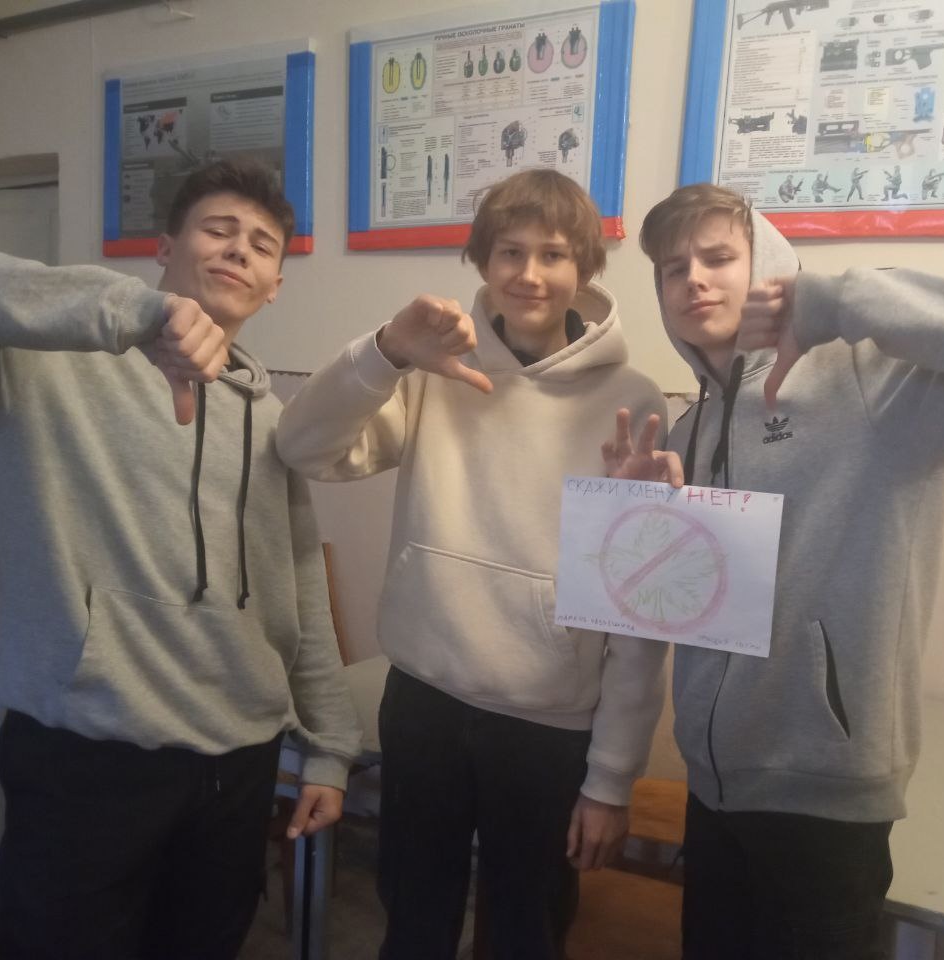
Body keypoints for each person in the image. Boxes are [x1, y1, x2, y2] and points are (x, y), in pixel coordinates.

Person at [0, 159, 362, 960]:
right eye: (218, 230)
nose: (239, 250)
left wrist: (330, 746)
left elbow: (298, 586)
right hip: (88, 755)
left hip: (238, 760)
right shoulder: (39, 369)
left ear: (275, 285)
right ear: (165, 249)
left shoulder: (275, 418)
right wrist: (134, 314)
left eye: (261, 244)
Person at [626, 182, 944, 959]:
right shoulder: (689, 425)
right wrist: (641, 522)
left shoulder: (870, 382)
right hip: (713, 786)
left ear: (769, 267)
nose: (694, 281)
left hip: (824, 795)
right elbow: (689, 605)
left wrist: (838, 300)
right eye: (672, 269)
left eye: (718, 258)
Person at [275, 169, 669, 960]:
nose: (529, 273)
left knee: (527, 926)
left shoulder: (633, 397)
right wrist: (385, 352)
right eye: (510, 251)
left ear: (584, 267)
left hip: (549, 719)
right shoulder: (434, 368)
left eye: (553, 254)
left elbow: (636, 608)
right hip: (425, 698)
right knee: (412, 913)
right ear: (483, 260)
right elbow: (304, 448)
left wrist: (611, 776)